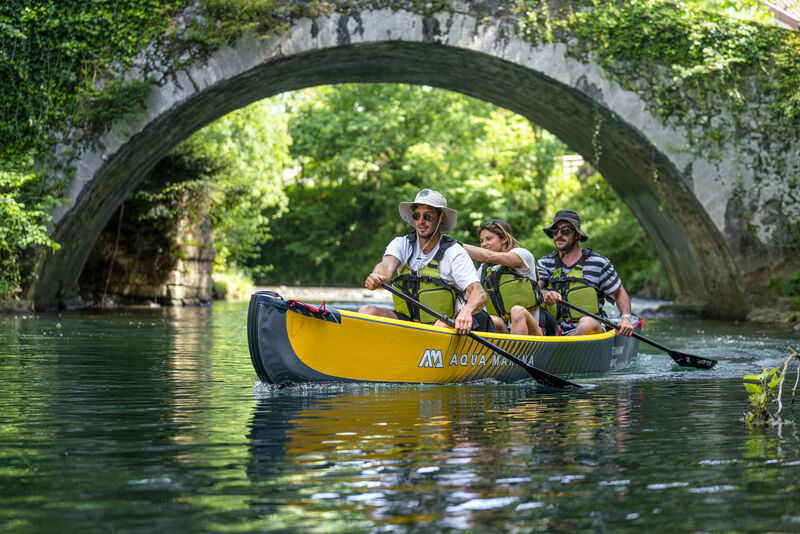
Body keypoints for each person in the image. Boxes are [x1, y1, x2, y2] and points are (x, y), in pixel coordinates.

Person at [359, 189, 489, 335]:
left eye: (427, 216)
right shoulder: (401, 244)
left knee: (441, 325)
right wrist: (377, 275)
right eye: (417, 215)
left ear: (441, 218)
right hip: (409, 323)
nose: (421, 221)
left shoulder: (454, 252)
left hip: (445, 324)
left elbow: (479, 294)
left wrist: (466, 312)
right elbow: (385, 266)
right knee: (367, 311)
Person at [537, 209, 635, 336]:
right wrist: (544, 293)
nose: (559, 235)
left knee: (586, 323)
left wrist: (626, 318)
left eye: (565, 231)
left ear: (577, 235)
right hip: (552, 331)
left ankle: (560, 352)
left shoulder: (599, 263)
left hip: (589, 330)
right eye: (555, 231)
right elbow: (533, 291)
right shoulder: (544, 263)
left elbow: (619, 292)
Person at [461, 220, 544, 336]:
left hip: (533, 332)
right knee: (493, 320)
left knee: (517, 311)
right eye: (481, 241)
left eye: (489, 239)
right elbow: (469, 294)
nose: (484, 244)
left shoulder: (522, 255)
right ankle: (502, 352)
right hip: (504, 332)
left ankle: (517, 353)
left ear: (504, 239)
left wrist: (457, 246)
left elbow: (487, 256)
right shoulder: (484, 270)